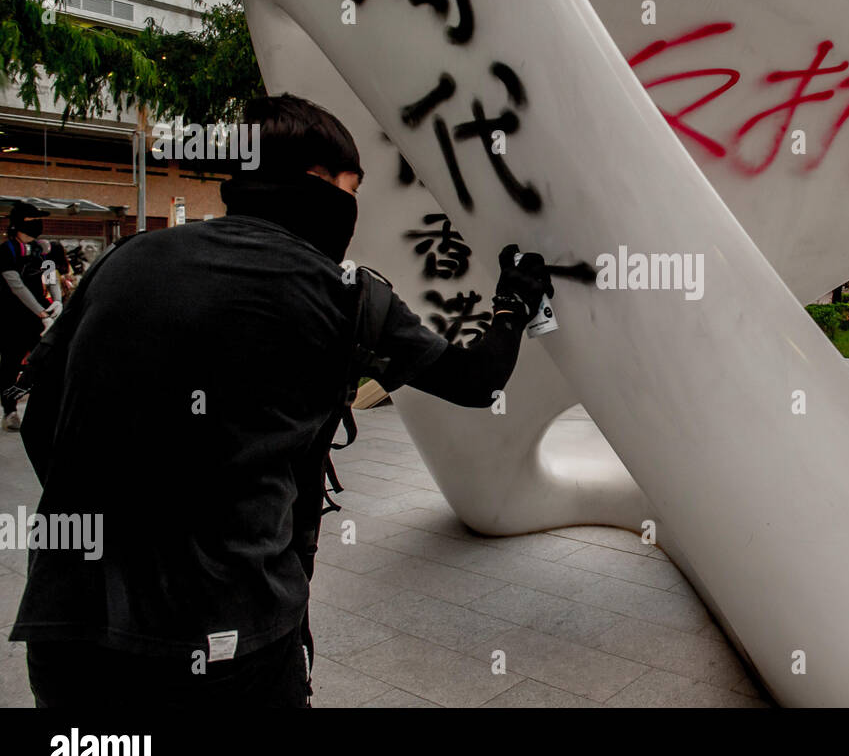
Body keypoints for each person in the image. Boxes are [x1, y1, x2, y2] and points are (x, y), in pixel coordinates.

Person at [9, 94, 555, 708]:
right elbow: (475, 381)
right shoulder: (347, 296)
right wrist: (513, 304)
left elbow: (39, 418)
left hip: (70, 637)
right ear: (317, 180)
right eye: (351, 188)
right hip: (230, 642)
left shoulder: (123, 261)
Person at [0, 202, 56, 430]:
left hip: (40, 317)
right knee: (10, 366)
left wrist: (58, 300)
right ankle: (10, 411)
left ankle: (47, 408)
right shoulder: (6, 251)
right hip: (12, 319)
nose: (38, 225)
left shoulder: (41, 250)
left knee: (49, 360)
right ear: (19, 224)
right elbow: (17, 286)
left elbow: (51, 273)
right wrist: (42, 313)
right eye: (33, 221)